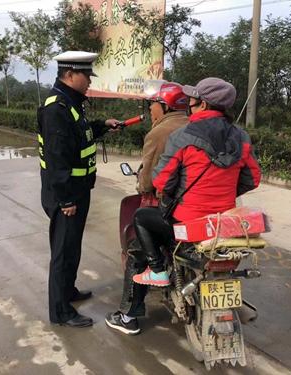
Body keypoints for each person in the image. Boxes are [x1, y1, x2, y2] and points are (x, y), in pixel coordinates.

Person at [105, 77, 261, 335]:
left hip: (187, 222)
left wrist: (180, 195)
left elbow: (162, 180)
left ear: (202, 103)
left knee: (142, 218)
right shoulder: (241, 136)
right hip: (222, 221)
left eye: (192, 99)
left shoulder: (183, 135)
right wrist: (220, 193)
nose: (189, 103)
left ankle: (155, 274)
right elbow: (253, 178)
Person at [38, 51, 119, 327]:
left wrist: (102, 127)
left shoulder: (72, 104)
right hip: (66, 193)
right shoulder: (56, 108)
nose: (89, 82)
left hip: (77, 190)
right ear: (70, 74)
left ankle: (68, 291)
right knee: (63, 250)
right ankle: (61, 312)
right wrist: (66, 199)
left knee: (72, 246)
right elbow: (57, 157)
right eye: (86, 77)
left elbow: (79, 135)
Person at [105, 81, 188, 335]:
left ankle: (129, 316)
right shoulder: (198, 126)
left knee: (136, 247)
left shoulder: (159, 133)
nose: (150, 109)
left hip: (172, 209)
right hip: (208, 211)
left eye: (152, 104)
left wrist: (143, 185)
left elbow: (149, 180)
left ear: (164, 106)